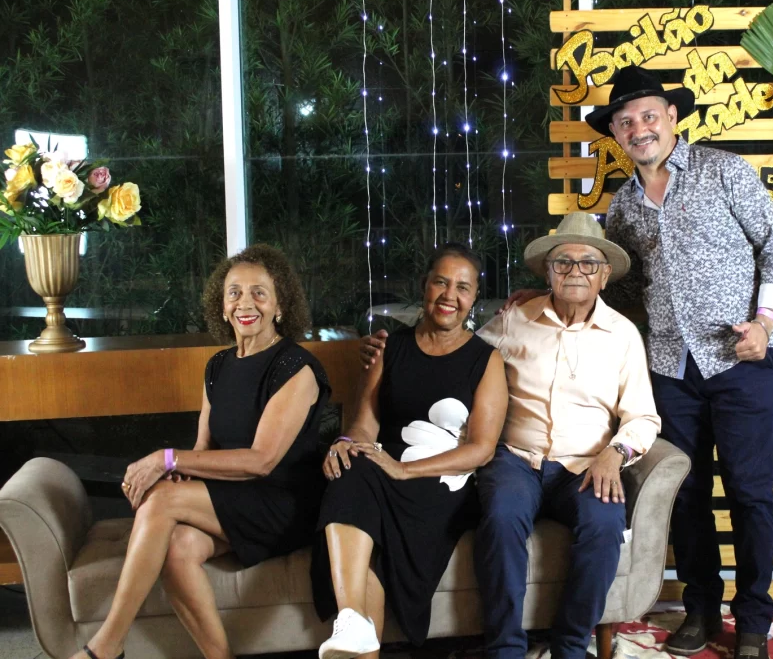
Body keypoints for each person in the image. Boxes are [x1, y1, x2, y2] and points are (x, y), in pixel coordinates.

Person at [360, 214, 661, 659]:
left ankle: (570, 645)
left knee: (603, 526)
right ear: (548, 272)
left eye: (588, 263)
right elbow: (455, 352)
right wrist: (390, 353)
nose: (575, 271)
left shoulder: (622, 336)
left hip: (586, 464)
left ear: (603, 276)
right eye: (563, 262)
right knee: (501, 518)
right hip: (515, 459)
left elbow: (644, 417)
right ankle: (505, 648)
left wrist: (615, 453)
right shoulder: (514, 320)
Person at [591, 66, 773, 659]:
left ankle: (752, 622)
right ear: (617, 134)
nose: (639, 129)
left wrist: (765, 324)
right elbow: (624, 290)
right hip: (669, 371)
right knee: (685, 494)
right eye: (625, 122)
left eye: (648, 116)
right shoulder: (621, 208)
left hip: (741, 361)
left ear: (672, 117)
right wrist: (551, 297)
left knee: (750, 495)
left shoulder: (724, 170)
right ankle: (701, 610)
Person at [71, 245, 332, 659]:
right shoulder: (218, 366)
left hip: (284, 502)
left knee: (161, 500)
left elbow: (261, 460)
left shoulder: (295, 368)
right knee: (178, 546)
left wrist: (166, 460)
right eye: (234, 293)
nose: (245, 303)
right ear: (221, 306)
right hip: (235, 495)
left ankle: (106, 646)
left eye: (259, 293)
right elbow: (204, 448)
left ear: (280, 305)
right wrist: (180, 471)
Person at [311, 242, 508, 659]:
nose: (450, 295)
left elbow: (482, 449)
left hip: (441, 481)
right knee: (352, 469)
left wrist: (403, 470)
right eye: (441, 282)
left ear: (474, 297)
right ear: (424, 286)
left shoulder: (485, 360)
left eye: (463, 287)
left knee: (371, 530)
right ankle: (352, 622)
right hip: (383, 466)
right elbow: (364, 424)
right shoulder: (390, 348)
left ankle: (352, 623)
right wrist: (346, 444)